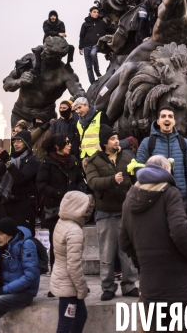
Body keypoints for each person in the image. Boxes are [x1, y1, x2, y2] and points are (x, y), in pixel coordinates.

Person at [119, 156, 187, 330]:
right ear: (165, 170)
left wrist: (142, 259)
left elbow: (124, 241)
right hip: (179, 281)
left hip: (150, 282)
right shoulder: (170, 193)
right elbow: (180, 230)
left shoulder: (129, 198)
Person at [85, 126, 138, 301]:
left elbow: (136, 178)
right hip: (105, 213)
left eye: (117, 138)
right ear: (104, 143)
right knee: (107, 253)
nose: (117, 141)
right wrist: (112, 180)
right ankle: (107, 287)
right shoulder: (94, 161)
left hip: (126, 212)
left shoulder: (128, 157)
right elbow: (93, 182)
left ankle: (129, 285)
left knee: (127, 253)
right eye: (113, 139)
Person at [0, 218, 40, 333]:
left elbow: (30, 276)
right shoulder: (0, 248)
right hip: (5, 293)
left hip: (23, 294)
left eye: (1, 233)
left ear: (10, 234)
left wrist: (3, 290)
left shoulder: (27, 245)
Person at [136, 107, 187, 219]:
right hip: (155, 199)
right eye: (163, 116)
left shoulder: (185, 144)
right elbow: (139, 171)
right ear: (158, 121)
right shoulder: (147, 143)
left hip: (180, 200)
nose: (167, 119)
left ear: (174, 121)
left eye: (170, 116)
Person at [36, 133, 86, 274]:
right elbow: (41, 185)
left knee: (73, 246)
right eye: (66, 142)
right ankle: (57, 279)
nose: (70, 145)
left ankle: (74, 279)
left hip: (72, 209)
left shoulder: (73, 161)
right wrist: (60, 194)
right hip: (55, 209)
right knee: (57, 247)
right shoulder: (47, 163)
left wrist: (78, 192)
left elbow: (80, 180)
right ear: (57, 147)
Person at [50, 191, 94, 333]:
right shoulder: (74, 231)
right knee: (66, 324)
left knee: (80, 316)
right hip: (68, 285)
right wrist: (82, 289)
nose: (88, 212)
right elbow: (73, 266)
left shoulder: (62, 222)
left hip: (63, 279)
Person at [0, 131, 40, 235]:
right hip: (7, 204)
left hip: (24, 205)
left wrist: (7, 161)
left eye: (19, 141)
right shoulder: (11, 159)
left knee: (22, 236)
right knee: (6, 237)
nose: (16, 144)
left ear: (26, 143)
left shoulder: (32, 160)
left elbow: (21, 178)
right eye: (14, 141)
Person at [72, 97, 112, 162]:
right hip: (84, 157)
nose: (78, 111)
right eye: (76, 109)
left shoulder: (100, 115)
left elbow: (109, 136)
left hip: (99, 155)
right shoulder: (78, 123)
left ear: (87, 105)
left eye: (79, 107)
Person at [79, 7, 109, 84]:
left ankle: (97, 72)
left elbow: (109, 29)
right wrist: (80, 47)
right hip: (86, 46)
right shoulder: (85, 24)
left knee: (93, 54)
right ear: (90, 13)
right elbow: (82, 35)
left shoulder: (101, 23)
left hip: (96, 44)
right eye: (94, 12)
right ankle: (92, 83)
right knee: (89, 66)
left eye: (97, 12)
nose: (96, 14)